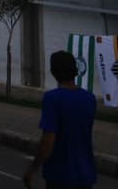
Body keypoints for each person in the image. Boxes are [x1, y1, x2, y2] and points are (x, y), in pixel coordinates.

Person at [23, 51, 97, 189]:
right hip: (85, 174)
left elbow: (48, 141)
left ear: (53, 72)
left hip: (60, 176)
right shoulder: (90, 99)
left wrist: (32, 170)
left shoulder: (52, 99)